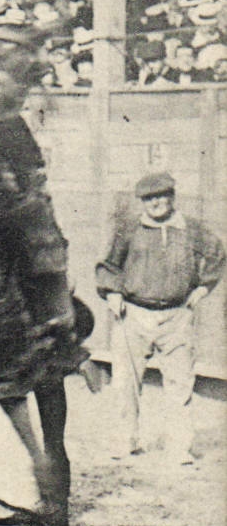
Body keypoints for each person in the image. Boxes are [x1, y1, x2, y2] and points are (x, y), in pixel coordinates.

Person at [95, 172, 225, 462]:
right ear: (142, 202)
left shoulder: (190, 229)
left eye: (161, 196)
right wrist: (113, 294)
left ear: (172, 197)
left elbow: (217, 254)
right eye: (149, 198)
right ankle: (124, 440)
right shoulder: (128, 229)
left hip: (177, 316)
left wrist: (203, 287)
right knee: (126, 383)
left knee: (180, 384)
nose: (156, 203)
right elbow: (109, 265)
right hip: (134, 314)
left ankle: (179, 447)